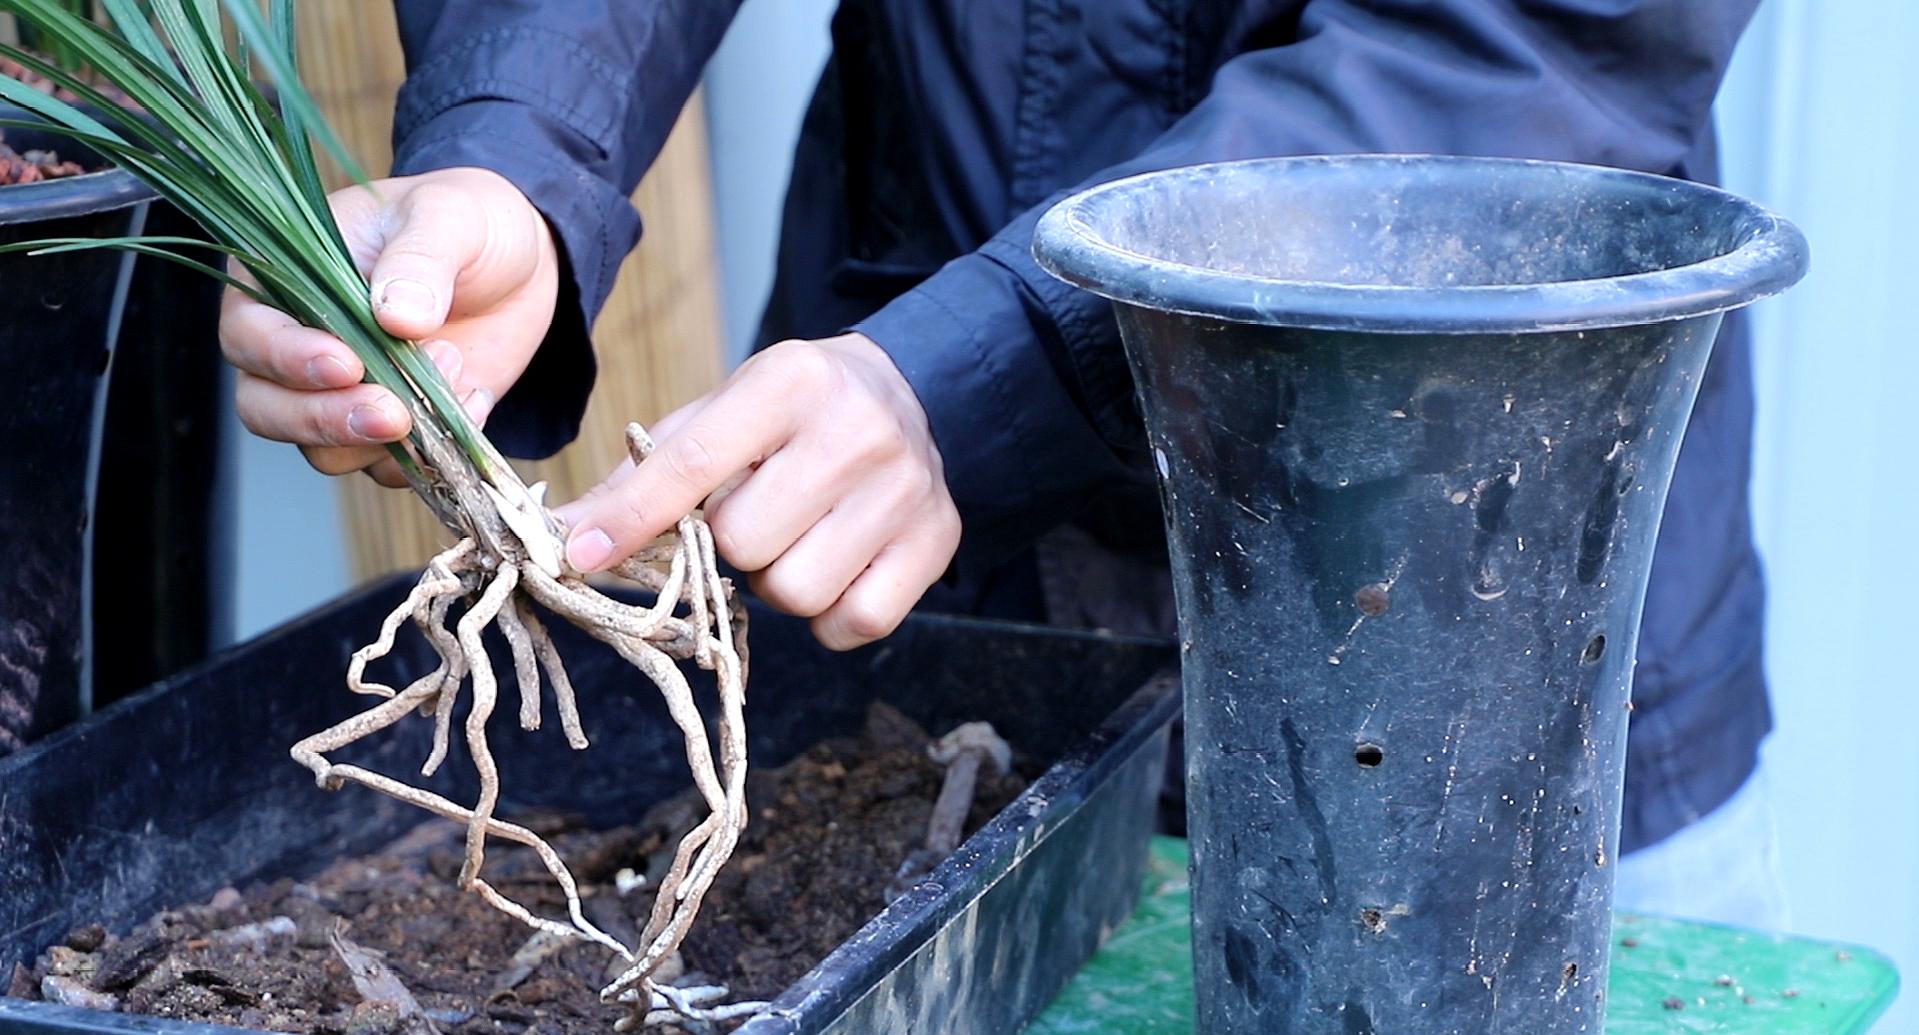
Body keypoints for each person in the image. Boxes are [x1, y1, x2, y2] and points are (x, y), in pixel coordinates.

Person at [220, 0, 1784, 927]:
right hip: (904, 579)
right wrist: (515, 144)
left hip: (1463, 611)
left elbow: (1523, 45)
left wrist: (998, 370)